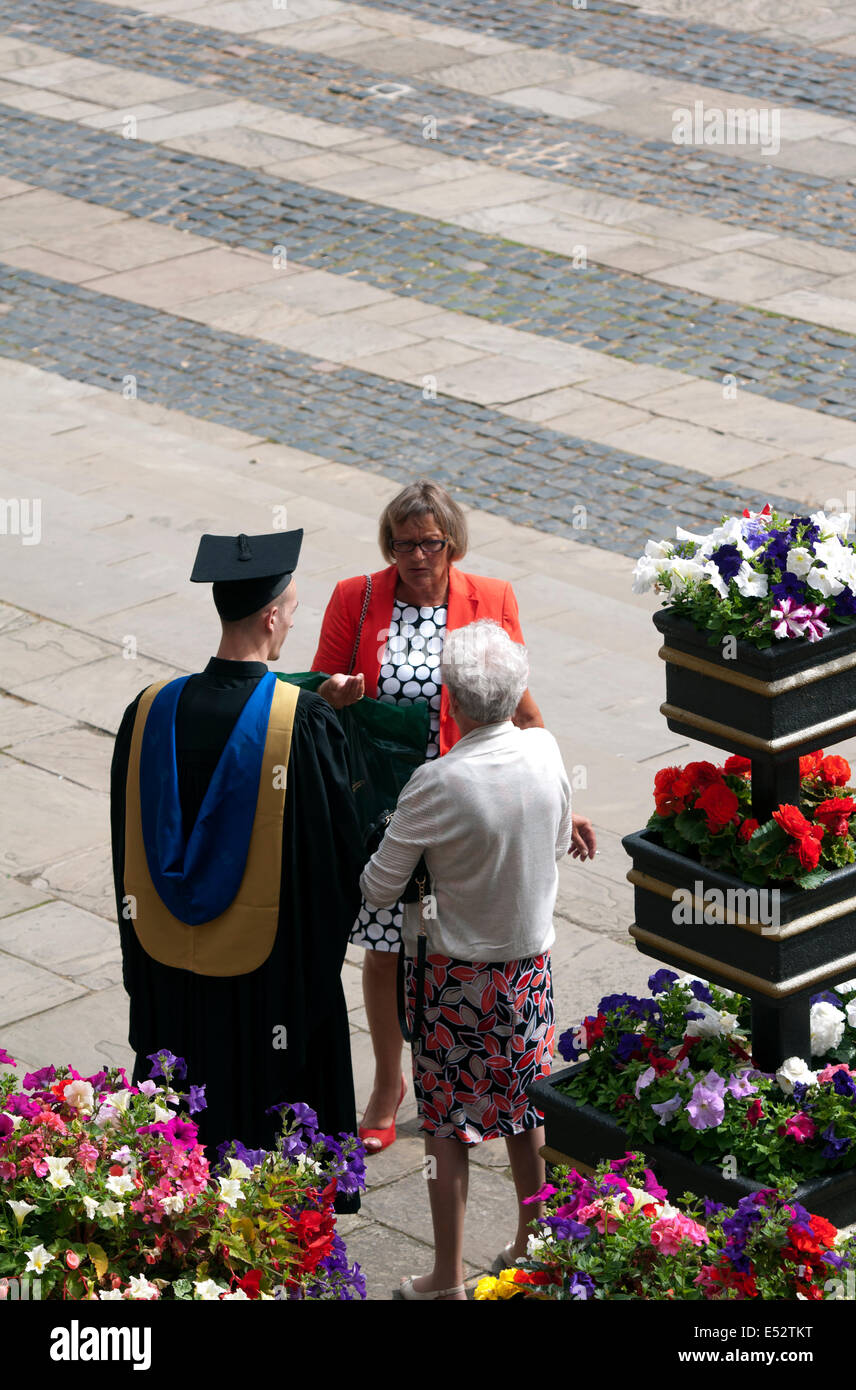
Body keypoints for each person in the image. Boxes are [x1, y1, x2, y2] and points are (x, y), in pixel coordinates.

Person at [312, 480, 596, 1155]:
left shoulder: (491, 600)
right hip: (387, 809)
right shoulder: (355, 599)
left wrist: (559, 789)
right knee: (383, 949)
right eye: (403, 543)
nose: (416, 556)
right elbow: (313, 699)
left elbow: (517, 703)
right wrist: (337, 695)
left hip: (465, 806)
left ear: (451, 543)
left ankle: (468, 1082)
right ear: (389, 546)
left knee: (452, 952)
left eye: (429, 543)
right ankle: (388, 1083)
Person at [110, 530, 364, 1185]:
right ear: (272, 616)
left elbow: (125, 854)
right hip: (268, 982)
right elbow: (331, 866)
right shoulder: (299, 722)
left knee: (184, 1141)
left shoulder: (148, 711)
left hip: (171, 969)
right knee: (264, 1145)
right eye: (293, 612)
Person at [360, 619, 577, 1298]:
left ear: (450, 700)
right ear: (517, 693)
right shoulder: (545, 751)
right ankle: (529, 1243)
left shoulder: (437, 781)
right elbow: (561, 838)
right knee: (525, 1112)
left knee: (448, 1129)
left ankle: (446, 1278)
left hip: (452, 977)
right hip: (528, 970)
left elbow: (377, 886)